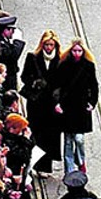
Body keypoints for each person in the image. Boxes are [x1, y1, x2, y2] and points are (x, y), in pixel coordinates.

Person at [53, 40, 99, 176]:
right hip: (67, 106)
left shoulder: (88, 66)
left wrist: (92, 102)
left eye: (79, 51)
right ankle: (69, 169)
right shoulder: (64, 65)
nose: (77, 53)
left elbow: (94, 85)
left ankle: (80, 160)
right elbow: (57, 86)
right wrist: (57, 103)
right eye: (74, 51)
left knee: (79, 139)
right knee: (68, 140)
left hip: (81, 107)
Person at [21, 32, 62, 175]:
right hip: (36, 102)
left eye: (51, 45)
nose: (49, 47)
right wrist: (34, 82)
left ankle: (45, 166)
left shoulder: (60, 60)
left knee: (49, 135)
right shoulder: (33, 57)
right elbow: (24, 76)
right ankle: (34, 164)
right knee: (36, 133)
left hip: (51, 104)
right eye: (46, 44)